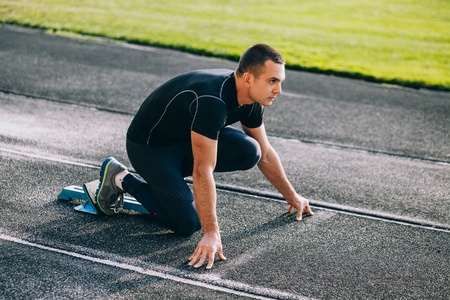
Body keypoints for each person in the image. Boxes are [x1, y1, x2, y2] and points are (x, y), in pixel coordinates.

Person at [94, 44, 314, 270]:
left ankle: (168, 180)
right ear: (248, 78)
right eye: (272, 81)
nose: (278, 90)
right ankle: (120, 177)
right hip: (150, 148)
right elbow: (202, 170)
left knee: (252, 151)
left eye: (280, 82)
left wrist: (293, 196)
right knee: (187, 223)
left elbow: (265, 154)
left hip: (185, 139)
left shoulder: (252, 101)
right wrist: (211, 233)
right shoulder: (213, 101)